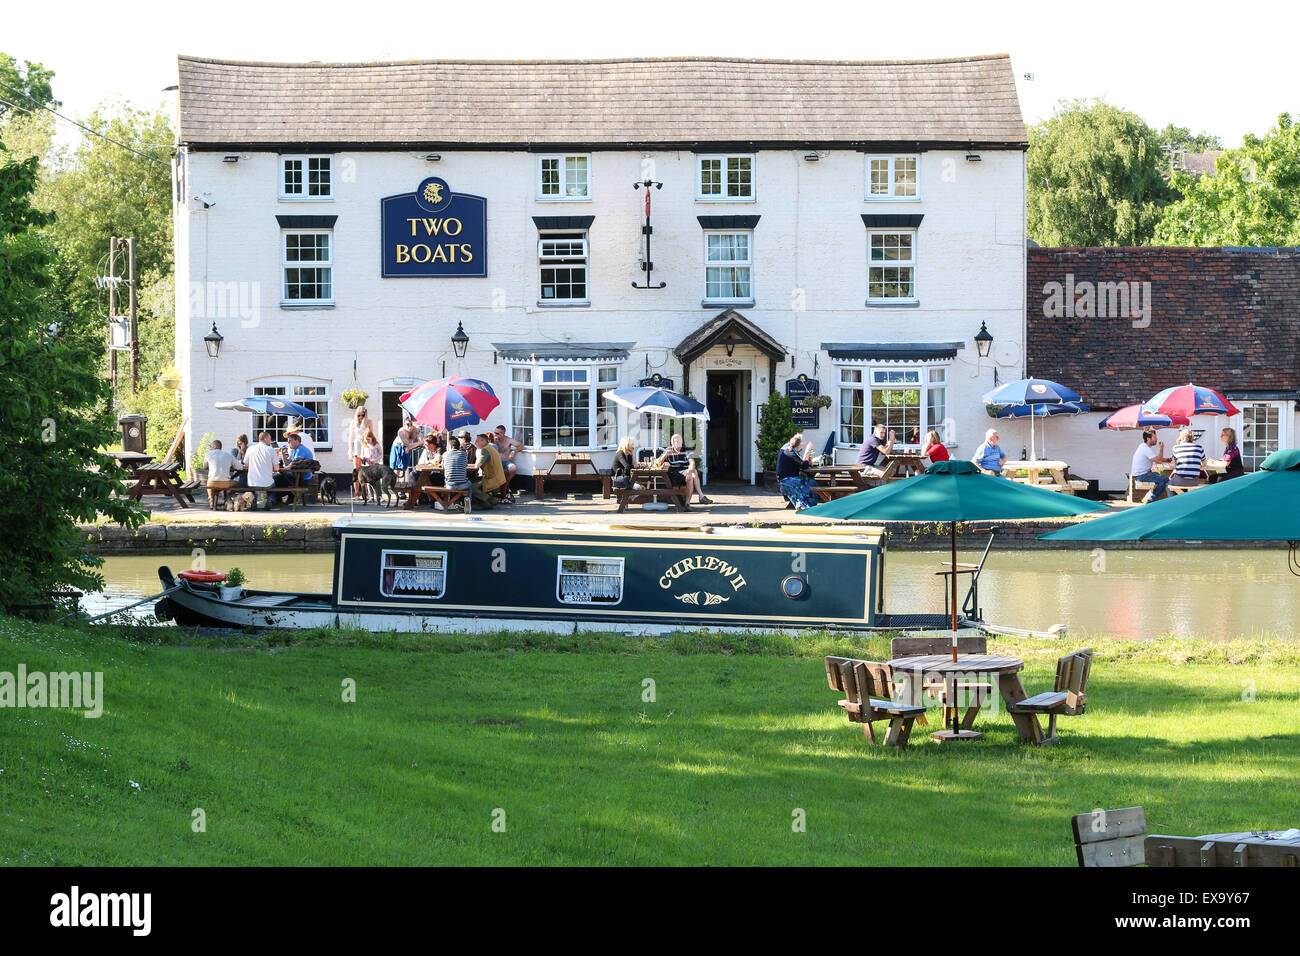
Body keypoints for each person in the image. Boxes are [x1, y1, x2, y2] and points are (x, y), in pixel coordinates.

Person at [656, 433, 712, 505]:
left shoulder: (687, 449)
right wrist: (665, 455)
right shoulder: (668, 450)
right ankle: (701, 496)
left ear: (682, 442)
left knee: (692, 474)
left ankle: (687, 504)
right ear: (671, 442)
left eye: (678, 441)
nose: (677, 443)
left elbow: (692, 463)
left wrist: (689, 472)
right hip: (673, 475)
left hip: (685, 473)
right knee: (693, 472)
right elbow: (658, 463)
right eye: (675, 441)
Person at [272, 432, 315, 506]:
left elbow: (293, 466)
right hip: (296, 476)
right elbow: (289, 463)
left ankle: (275, 499)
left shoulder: (300, 450)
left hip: (302, 479)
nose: (288, 443)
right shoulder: (295, 449)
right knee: (275, 478)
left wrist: (283, 470)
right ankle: (276, 499)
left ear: (297, 441)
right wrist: (283, 454)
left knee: (275, 479)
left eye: (290, 441)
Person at [777, 433, 818, 511]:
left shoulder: (792, 451)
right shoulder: (790, 453)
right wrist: (807, 451)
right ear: (798, 444)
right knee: (811, 483)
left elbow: (801, 463)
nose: (803, 445)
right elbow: (804, 465)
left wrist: (807, 460)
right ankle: (807, 505)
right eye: (802, 443)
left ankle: (802, 504)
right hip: (786, 480)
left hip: (788, 478)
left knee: (810, 481)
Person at [1130, 428, 1171, 502]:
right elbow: (1158, 461)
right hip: (1142, 476)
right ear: (1148, 438)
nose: (1156, 439)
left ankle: (1149, 496)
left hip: (1143, 474)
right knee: (1164, 480)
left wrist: (1167, 460)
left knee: (1161, 476)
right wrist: (1162, 448)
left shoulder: (1144, 447)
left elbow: (1156, 458)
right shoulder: (1145, 448)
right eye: (1154, 437)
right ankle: (1151, 499)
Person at [348, 406, 378, 504]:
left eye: (363, 415)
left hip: (366, 448)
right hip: (357, 447)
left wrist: (374, 450)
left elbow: (371, 436)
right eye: (359, 415)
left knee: (366, 471)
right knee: (356, 471)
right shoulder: (353, 423)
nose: (360, 417)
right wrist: (350, 451)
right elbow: (351, 438)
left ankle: (366, 494)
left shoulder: (369, 422)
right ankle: (356, 493)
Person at [243, 431, 281, 507]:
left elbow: (246, 465)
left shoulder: (250, 449)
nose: (270, 441)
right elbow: (277, 468)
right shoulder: (271, 449)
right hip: (267, 483)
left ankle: (253, 500)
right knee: (275, 481)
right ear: (265, 439)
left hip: (252, 483)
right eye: (270, 439)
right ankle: (270, 499)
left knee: (246, 481)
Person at [475, 433, 513, 502]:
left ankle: (489, 500)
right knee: (506, 472)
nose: (475, 443)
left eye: (477, 441)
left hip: (490, 479)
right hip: (499, 477)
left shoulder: (484, 450)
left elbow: (478, 465)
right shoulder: (491, 447)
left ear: (483, 441)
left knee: (472, 487)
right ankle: (501, 498)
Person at [204, 439, 238, 508]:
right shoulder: (228, 455)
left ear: (215, 446)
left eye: (211, 446)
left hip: (212, 482)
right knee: (238, 484)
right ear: (220, 447)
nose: (211, 448)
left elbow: (204, 466)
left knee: (209, 483)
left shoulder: (208, 454)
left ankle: (211, 501)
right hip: (225, 483)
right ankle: (226, 499)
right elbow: (239, 467)